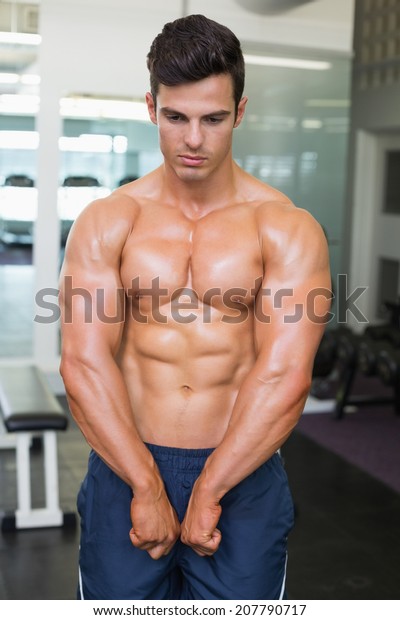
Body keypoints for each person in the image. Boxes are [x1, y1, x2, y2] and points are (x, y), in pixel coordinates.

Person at [59, 14, 331, 600]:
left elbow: (284, 373)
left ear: (240, 111)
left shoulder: (285, 227)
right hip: (125, 455)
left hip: (244, 464)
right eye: (177, 118)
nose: (193, 141)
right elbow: (83, 363)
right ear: (152, 107)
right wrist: (144, 482)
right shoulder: (110, 221)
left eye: (213, 119)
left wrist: (211, 488)